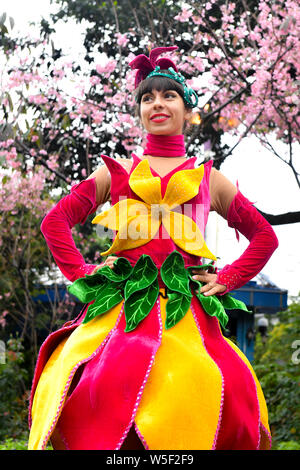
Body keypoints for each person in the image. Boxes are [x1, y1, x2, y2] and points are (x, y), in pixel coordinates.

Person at [28, 46, 278, 451]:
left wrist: (228, 278)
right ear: (140, 111)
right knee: (83, 386)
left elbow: (265, 237)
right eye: (147, 98)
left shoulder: (209, 180)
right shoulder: (118, 173)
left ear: (187, 110)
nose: (157, 104)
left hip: (188, 314)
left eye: (168, 96)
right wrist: (82, 273)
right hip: (118, 310)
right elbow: (53, 221)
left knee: (227, 391)